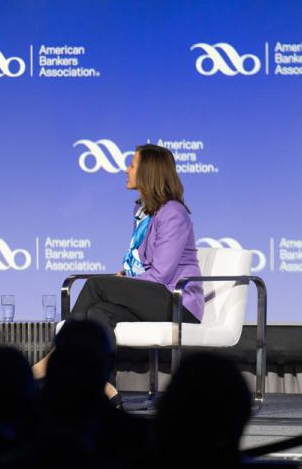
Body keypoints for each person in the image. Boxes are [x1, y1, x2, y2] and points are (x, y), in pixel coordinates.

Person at [32, 144, 203, 404]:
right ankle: (105, 387)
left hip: (177, 302)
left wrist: (122, 285)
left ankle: (54, 358)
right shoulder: (145, 211)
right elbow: (142, 264)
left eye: (132, 165)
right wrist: (126, 280)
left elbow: (160, 275)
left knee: (96, 286)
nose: (126, 169)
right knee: (99, 312)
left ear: (148, 172)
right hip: (155, 298)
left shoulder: (173, 214)